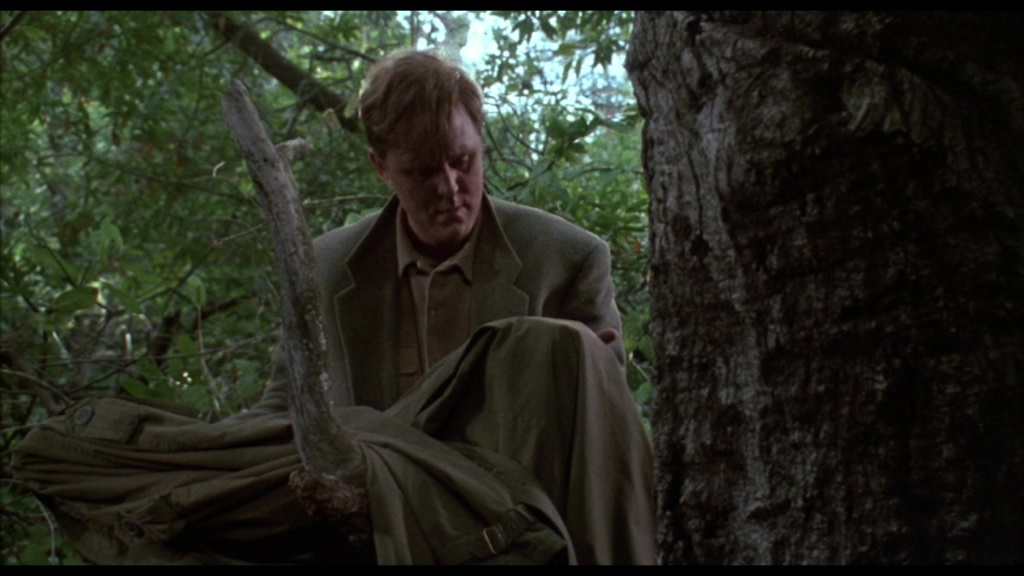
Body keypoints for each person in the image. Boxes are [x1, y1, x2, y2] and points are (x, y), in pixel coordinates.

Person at [11, 49, 655, 565]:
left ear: (480, 141)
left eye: (463, 161)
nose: (450, 188)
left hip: (506, 509)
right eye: (422, 171)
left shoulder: (566, 256)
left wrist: (584, 370)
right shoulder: (327, 266)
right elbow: (284, 406)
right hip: (376, 509)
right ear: (381, 166)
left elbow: (605, 443)